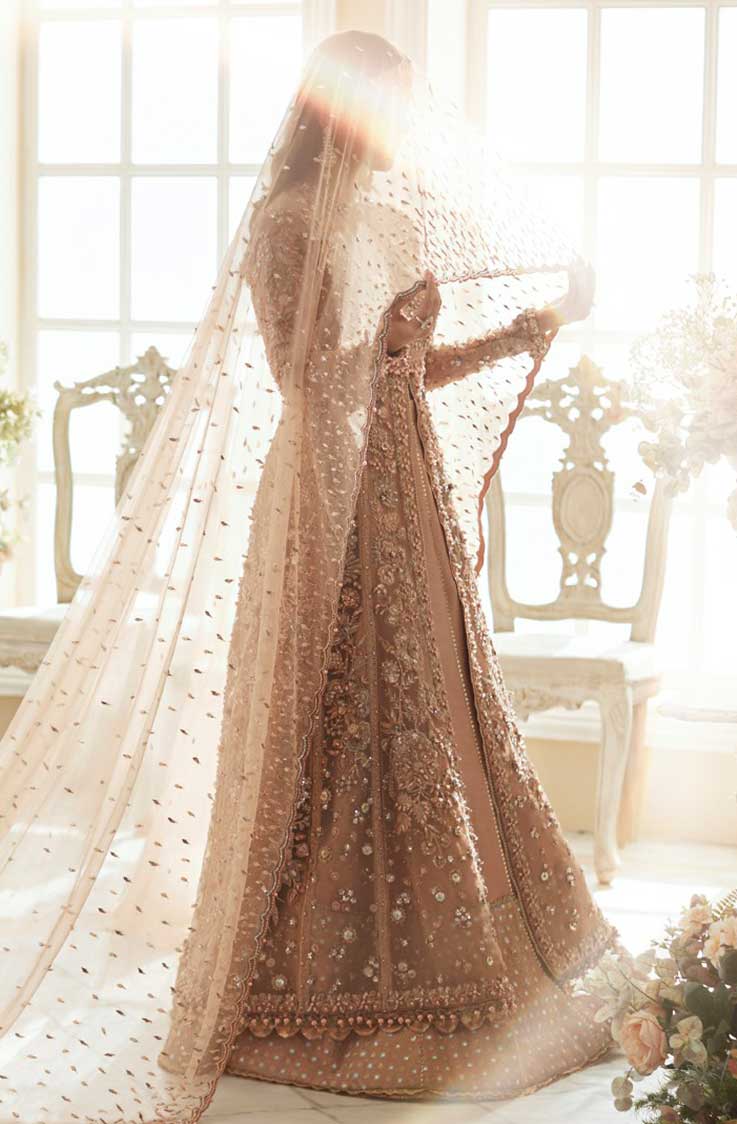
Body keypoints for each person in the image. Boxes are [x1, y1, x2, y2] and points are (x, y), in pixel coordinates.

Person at [0, 29, 613, 1122]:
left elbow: (407, 370)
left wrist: (527, 327)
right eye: (389, 104)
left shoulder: (390, 216)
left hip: (404, 489)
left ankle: (443, 943)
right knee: (335, 717)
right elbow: (304, 376)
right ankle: (315, 976)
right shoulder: (288, 224)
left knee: (427, 714)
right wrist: (389, 345)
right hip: (328, 486)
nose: (403, 124)